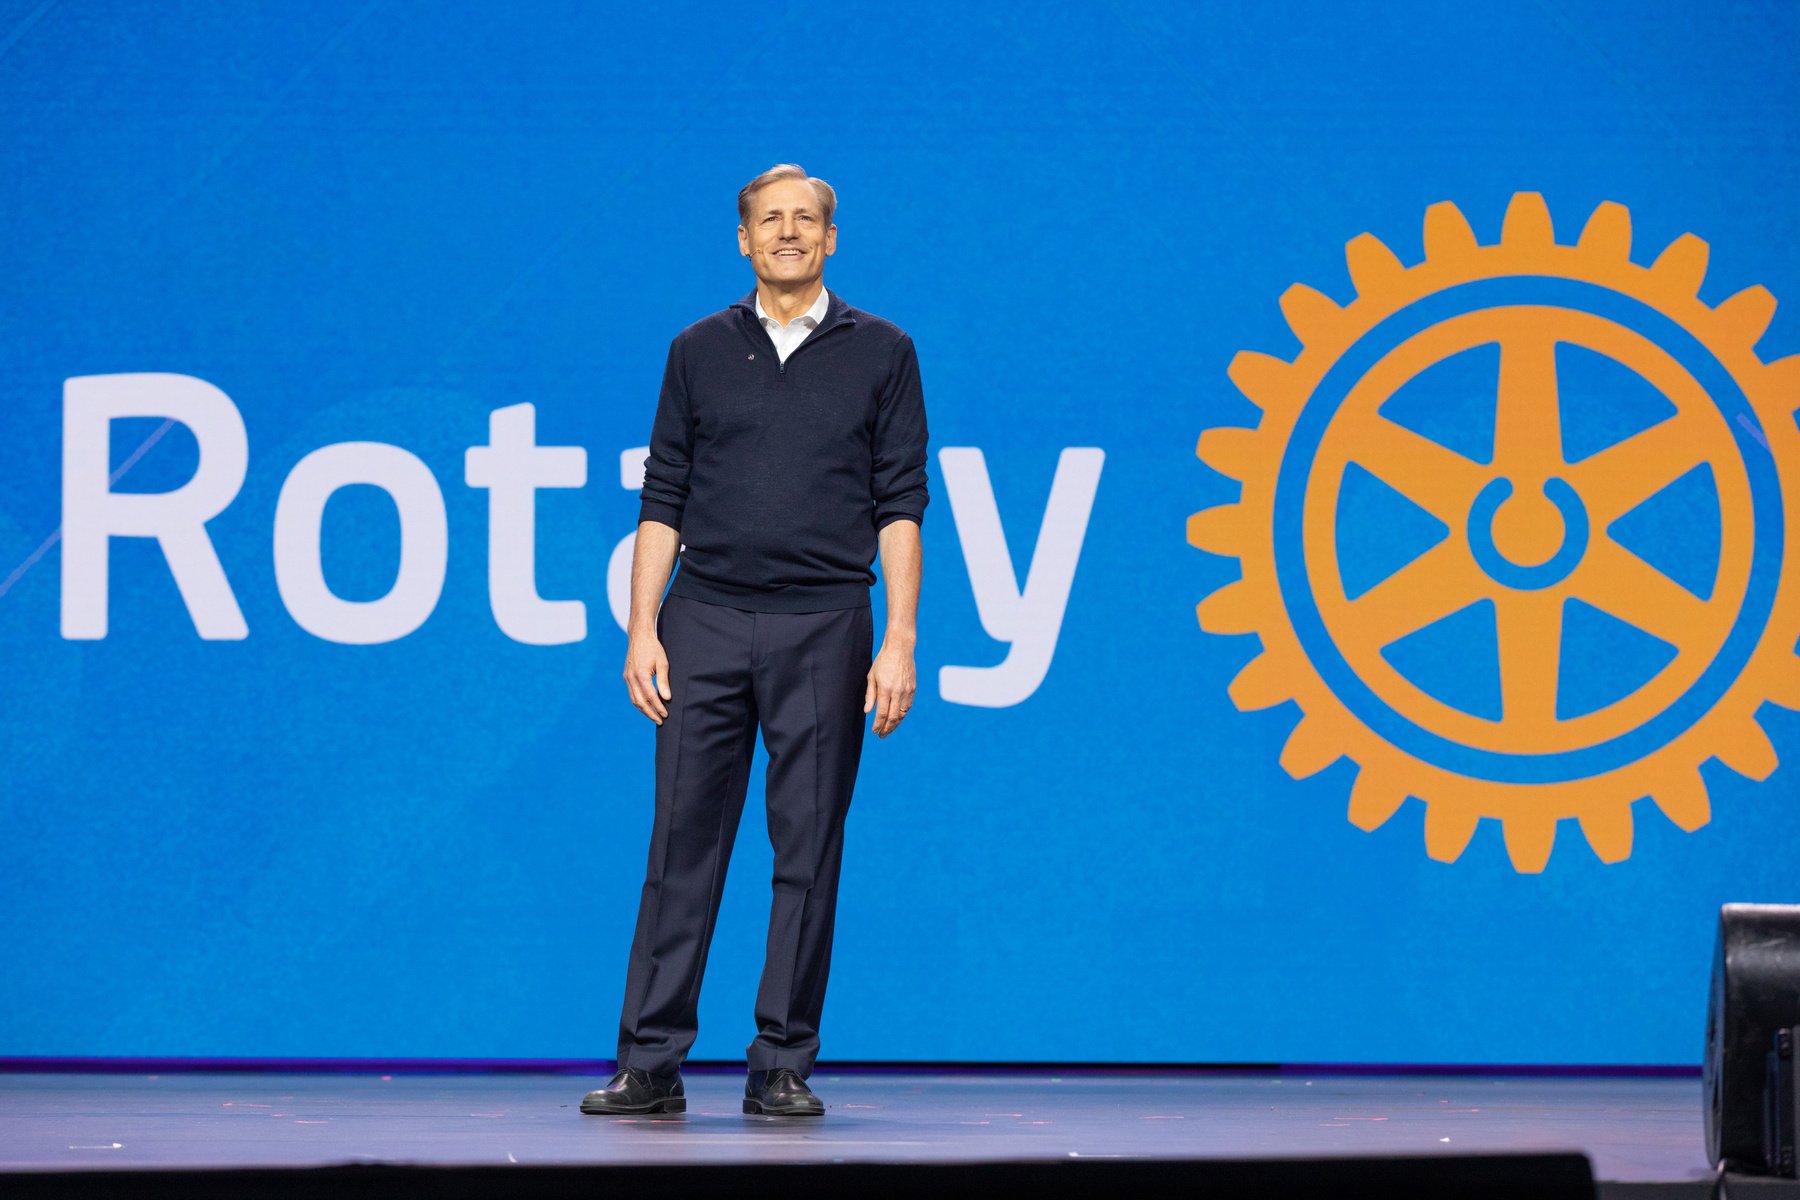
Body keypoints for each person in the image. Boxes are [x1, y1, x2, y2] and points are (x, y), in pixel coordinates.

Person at [580, 164, 928, 1118]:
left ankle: (782, 1063)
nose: (787, 232)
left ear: (830, 239)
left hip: (826, 625)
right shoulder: (695, 350)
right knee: (680, 845)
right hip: (705, 619)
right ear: (743, 238)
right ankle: (649, 1062)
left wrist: (897, 641)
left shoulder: (884, 351)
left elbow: (902, 504)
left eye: (806, 220)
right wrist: (642, 627)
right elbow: (664, 496)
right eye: (769, 219)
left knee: (808, 849)